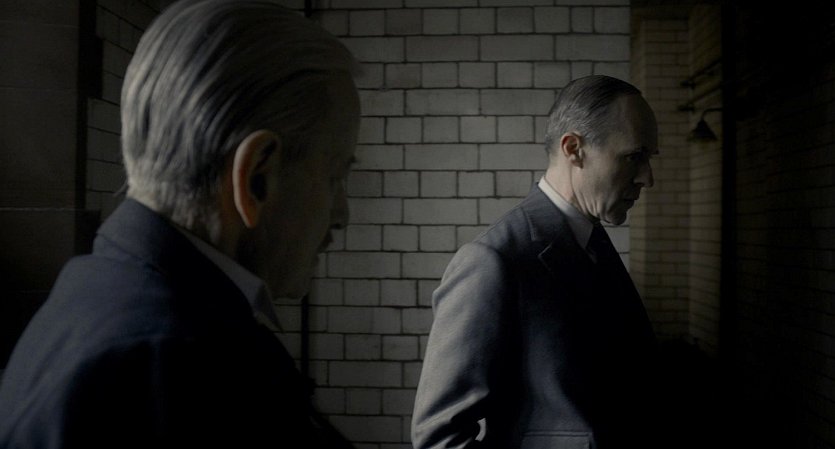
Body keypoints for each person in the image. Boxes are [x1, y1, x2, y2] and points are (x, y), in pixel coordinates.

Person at [0, 1, 359, 447]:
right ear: (256, 176)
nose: (342, 214)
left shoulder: (98, 298)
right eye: (335, 176)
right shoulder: (180, 370)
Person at [412, 75, 661, 449]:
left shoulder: (594, 242)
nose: (647, 178)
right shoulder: (493, 261)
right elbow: (440, 437)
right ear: (573, 149)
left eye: (649, 158)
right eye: (633, 157)